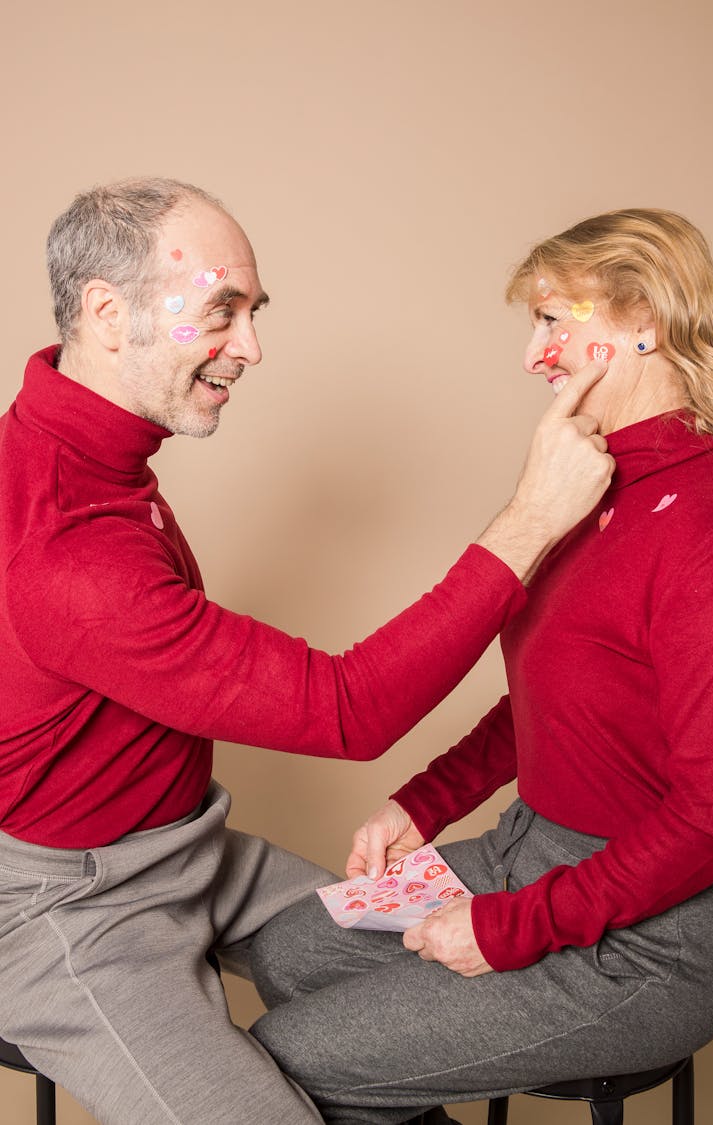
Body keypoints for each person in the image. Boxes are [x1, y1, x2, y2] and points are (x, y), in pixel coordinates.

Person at [0, 178, 613, 1125]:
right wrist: (531, 520)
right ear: (107, 313)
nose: (250, 345)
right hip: (71, 908)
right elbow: (346, 711)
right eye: (222, 310)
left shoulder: (98, 458)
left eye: (253, 311)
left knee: (421, 982)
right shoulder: (64, 544)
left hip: (194, 847)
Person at [248, 208, 713, 1125]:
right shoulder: (591, 486)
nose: (534, 354)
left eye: (555, 320)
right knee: (286, 955)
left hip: (652, 937)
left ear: (642, 317)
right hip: (528, 850)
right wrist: (424, 801)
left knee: (288, 1059)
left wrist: (509, 928)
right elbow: (551, 701)